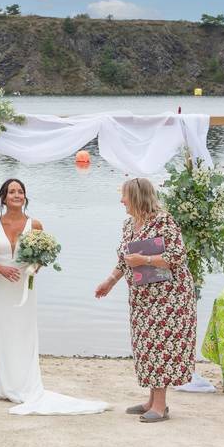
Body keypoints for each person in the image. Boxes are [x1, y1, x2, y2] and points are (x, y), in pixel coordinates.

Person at [0, 179, 108, 415]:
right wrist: (2, 269)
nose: (16, 195)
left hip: (24, 287)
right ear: (3, 197)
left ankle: (24, 383)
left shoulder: (35, 225)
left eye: (20, 192)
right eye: (12, 192)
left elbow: (42, 258)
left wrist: (34, 268)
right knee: (1, 331)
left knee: (23, 331)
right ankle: (1, 385)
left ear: (25, 197)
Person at [95, 177, 197, 423]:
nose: (121, 200)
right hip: (142, 296)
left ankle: (160, 406)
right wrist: (109, 281)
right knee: (145, 345)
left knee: (159, 345)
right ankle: (151, 400)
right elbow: (124, 260)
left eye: (124, 196)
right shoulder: (129, 224)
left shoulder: (163, 221)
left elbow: (177, 256)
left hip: (169, 296)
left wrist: (146, 261)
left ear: (138, 197)